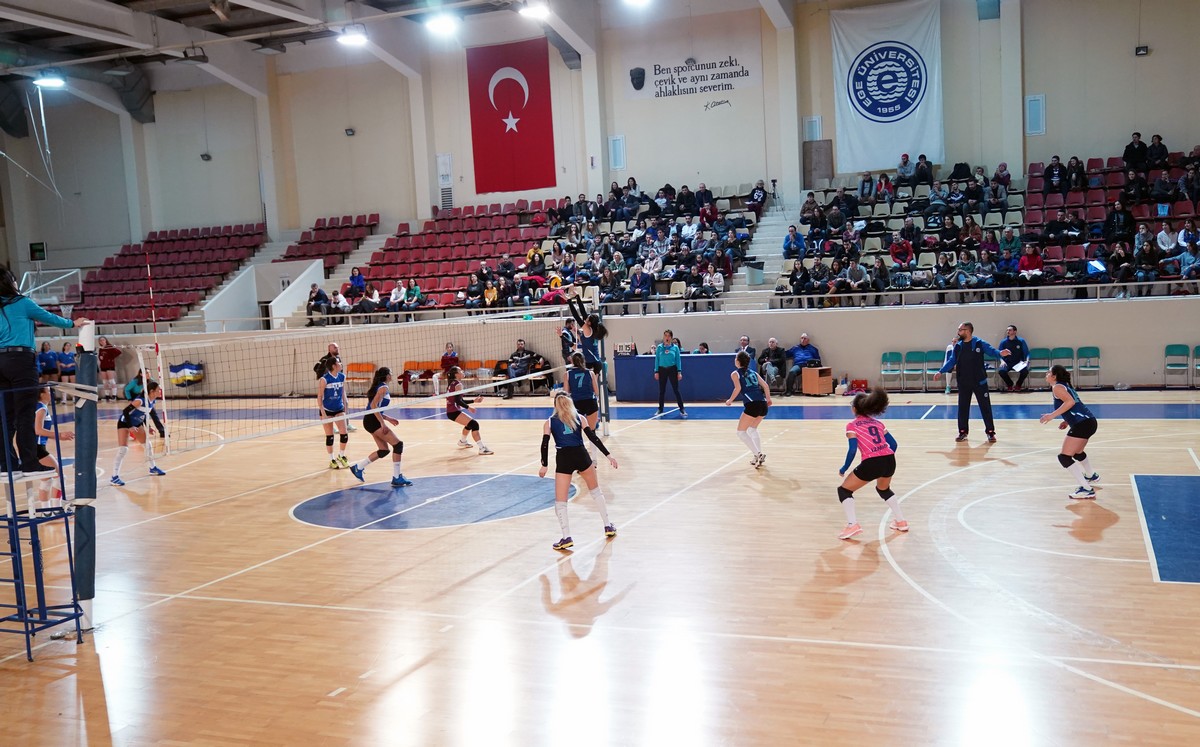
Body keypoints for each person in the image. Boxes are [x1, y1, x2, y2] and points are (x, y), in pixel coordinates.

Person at [0, 267, 88, 476]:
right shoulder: (22, 302)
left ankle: (6, 465)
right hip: (20, 360)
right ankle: (30, 463)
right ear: (10, 282)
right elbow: (49, 318)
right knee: (25, 413)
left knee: (4, 416)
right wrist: (72, 323)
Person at [539, 391, 617, 552]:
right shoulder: (580, 418)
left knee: (561, 502)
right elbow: (593, 438)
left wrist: (544, 465)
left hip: (564, 458)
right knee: (596, 492)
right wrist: (608, 455)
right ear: (570, 403)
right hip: (581, 456)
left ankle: (566, 537)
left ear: (555, 405)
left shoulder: (549, 422)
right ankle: (608, 526)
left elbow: (544, 444)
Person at [835, 388, 907, 540]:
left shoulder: (852, 425)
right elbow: (894, 444)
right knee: (884, 489)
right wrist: (884, 457)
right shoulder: (878, 423)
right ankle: (901, 521)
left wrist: (844, 468)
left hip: (872, 461)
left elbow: (852, 449)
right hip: (889, 459)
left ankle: (852, 524)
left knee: (844, 491)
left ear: (855, 409)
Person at [934, 322, 1010, 442]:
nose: (958, 332)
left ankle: (990, 432)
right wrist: (941, 371)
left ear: (968, 331)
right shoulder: (958, 346)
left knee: (985, 407)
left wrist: (1000, 353)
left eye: (960, 330)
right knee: (963, 408)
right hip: (964, 382)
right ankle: (962, 432)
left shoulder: (979, 343)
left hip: (979, 381)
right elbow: (952, 361)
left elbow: (991, 351)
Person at [1039, 364, 1100, 499]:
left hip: (1082, 424)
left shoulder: (1057, 387)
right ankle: (1091, 475)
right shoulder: (1064, 386)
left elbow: (1070, 402)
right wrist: (1067, 421)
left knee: (1064, 457)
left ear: (1054, 376)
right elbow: (1075, 405)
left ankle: (1086, 489)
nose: (1046, 374)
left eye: (1048, 372)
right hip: (1088, 422)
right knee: (1077, 453)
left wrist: (1051, 416)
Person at [348, 367, 412, 487]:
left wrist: (388, 418)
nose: (392, 375)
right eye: (391, 373)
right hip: (373, 421)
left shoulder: (379, 387)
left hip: (370, 420)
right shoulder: (383, 388)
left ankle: (358, 467)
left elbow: (375, 409)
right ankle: (397, 477)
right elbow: (373, 406)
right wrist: (383, 423)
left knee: (384, 450)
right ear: (387, 376)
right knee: (398, 445)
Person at [110, 380, 166, 486]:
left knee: (148, 445)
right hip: (124, 423)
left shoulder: (152, 401)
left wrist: (148, 427)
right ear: (152, 391)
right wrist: (130, 426)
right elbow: (125, 411)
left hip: (137, 423)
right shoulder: (140, 401)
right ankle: (114, 477)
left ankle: (152, 468)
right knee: (123, 449)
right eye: (158, 390)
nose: (160, 392)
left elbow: (144, 414)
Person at [725, 351, 772, 468]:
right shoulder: (754, 373)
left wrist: (730, 400)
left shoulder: (735, 373)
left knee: (741, 432)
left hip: (752, 404)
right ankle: (757, 456)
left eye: (736, 358)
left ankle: (758, 454)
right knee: (752, 429)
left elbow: (737, 388)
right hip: (763, 404)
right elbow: (765, 386)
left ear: (738, 361)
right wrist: (768, 399)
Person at [32, 385, 73, 508]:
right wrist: (59, 435)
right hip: (38, 449)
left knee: (46, 479)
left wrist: (59, 437)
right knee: (60, 477)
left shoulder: (38, 407)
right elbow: (38, 430)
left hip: (35, 447)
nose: (52, 393)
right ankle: (57, 508)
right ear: (42, 394)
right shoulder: (41, 408)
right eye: (49, 391)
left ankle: (46, 511)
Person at [446, 366, 493, 455]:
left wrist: (473, 401)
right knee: (474, 424)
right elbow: (458, 401)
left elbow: (459, 400)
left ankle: (462, 441)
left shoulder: (452, 383)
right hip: (453, 411)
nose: (463, 372)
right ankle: (482, 448)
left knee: (469, 424)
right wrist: (469, 408)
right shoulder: (458, 385)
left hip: (452, 411)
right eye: (460, 371)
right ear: (456, 374)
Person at [317, 356, 349, 469]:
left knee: (344, 434)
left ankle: (341, 455)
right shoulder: (324, 379)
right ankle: (332, 459)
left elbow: (343, 392)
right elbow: (319, 397)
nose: (341, 364)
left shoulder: (342, 376)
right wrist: (323, 413)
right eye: (339, 363)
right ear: (334, 366)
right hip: (327, 410)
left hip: (339, 408)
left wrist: (346, 405)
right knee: (330, 436)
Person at [563, 352, 601, 441]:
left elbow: (566, 393)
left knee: (576, 432)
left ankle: (578, 448)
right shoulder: (590, 373)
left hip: (576, 403)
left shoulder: (567, 374)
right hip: (590, 402)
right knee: (592, 432)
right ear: (584, 360)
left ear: (572, 361)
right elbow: (596, 392)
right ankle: (594, 450)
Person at [568, 296, 607, 375]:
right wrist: (577, 297)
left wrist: (569, 301)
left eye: (587, 319)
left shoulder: (588, 330)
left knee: (590, 382)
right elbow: (583, 313)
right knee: (593, 383)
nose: (585, 319)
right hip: (595, 361)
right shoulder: (592, 329)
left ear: (590, 323)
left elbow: (577, 317)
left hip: (591, 362)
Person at [124, 368, 167, 439]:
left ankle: (162, 431)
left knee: (153, 414)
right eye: (146, 373)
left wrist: (153, 400)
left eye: (149, 372)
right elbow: (127, 389)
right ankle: (135, 431)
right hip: (136, 397)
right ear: (141, 374)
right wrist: (130, 399)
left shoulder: (151, 381)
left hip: (146, 398)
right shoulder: (135, 381)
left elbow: (155, 391)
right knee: (139, 415)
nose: (148, 374)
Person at [653, 329, 686, 418]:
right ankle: (660, 409)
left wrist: (679, 371)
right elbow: (657, 359)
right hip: (662, 369)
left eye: (668, 336)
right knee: (662, 390)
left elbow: (678, 360)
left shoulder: (675, 348)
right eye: (665, 336)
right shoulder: (660, 347)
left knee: (676, 390)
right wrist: (656, 371)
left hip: (672, 369)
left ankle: (682, 409)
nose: (666, 338)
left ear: (671, 337)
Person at [997, 324, 1030, 392]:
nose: (1008, 332)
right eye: (1007, 330)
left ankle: (1018, 385)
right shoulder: (1003, 342)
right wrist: (1002, 361)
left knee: (1025, 371)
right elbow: (999, 354)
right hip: (1007, 362)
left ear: (1015, 332)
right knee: (1001, 371)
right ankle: (1010, 384)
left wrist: (1027, 361)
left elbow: (1027, 353)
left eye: (1010, 330)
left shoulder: (1021, 341)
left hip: (1018, 362)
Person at [97, 335, 122, 401]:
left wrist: (111, 358)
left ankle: (114, 396)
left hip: (110, 366)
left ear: (106, 340)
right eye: (100, 340)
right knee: (105, 382)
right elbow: (101, 356)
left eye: (103, 340)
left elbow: (118, 352)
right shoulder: (100, 348)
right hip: (103, 366)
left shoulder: (109, 347)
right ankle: (107, 395)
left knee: (111, 381)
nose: (102, 341)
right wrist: (101, 358)